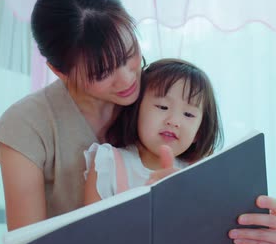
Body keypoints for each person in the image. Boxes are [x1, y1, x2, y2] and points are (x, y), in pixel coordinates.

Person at [0, 0, 276, 244]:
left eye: (129, 52)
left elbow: (206, 199)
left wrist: (257, 229)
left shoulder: (160, 95)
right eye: (102, 71)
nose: (127, 79)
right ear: (59, 71)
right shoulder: (26, 126)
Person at [83, 58, 222, 203]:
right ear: (136, 110)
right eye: (162, 107)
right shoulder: (108, 163)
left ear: (199, 132)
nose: (173, 121)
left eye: (188, 114)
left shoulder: (200, 174)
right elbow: (92, 225)